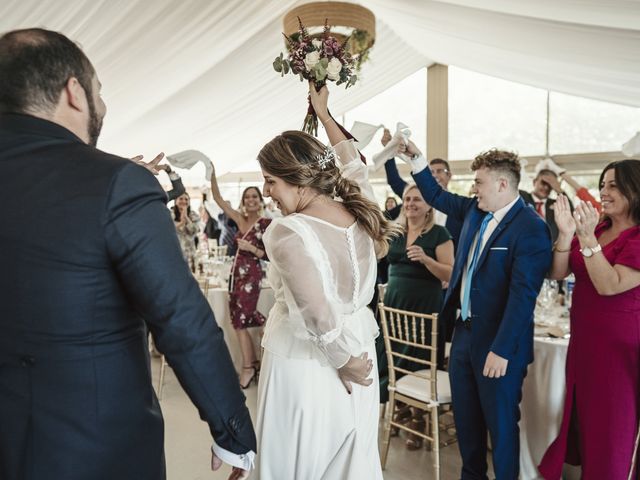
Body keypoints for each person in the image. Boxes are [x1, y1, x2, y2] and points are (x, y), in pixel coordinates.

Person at [0, 28, 254, 480]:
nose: (102, 104)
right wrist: (231, 427)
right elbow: (178, 316)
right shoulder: (116, 182)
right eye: (99, 92)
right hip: (92, 449)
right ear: (74, 92)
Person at [253, 84, 399, 479]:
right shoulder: (360, 207)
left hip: (309, 363)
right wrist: (326, 117)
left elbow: (316, 312)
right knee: (352, 458)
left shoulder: (287, 231)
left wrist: (344, 362)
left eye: (271, 181)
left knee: (298, 458)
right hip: (361, 350)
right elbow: (353, 164)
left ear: (297, 180)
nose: (268, 193)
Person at [404, 143, 552, 479]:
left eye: (479, 182)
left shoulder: (530, 227)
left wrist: (501, 349)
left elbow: (522, 296)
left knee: (500, 428)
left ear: (502, 184)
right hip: (464, 336)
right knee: (467, 423)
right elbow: (436, 195)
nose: (474, 188)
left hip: (500, 344)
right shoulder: (474, 210)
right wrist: (416, 158)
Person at [538, 160, 640, 479]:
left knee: (612, 432)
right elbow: (557, 272)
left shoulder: (636, 238)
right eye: (603, 184)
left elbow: (609, 285)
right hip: (585, 344)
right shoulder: (598, 228)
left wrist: (587, 240)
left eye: (613, 185)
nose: (603, 192)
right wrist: (567, 235)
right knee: (587, 425)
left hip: (619, 351)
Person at [378, 183, 454, 449]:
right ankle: (403, 404)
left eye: (417, 200)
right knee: (393, 355)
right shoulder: (396, 231)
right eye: (407, 199)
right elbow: (379, 256)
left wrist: (426, 260)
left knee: (420, 358)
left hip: (425, 307)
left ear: (429, 205)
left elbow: (450, 274)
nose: (410, 203)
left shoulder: (439, 234)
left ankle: (418, 418)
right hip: (395, 305)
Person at [209, 177, 271, 389]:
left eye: (254, 196)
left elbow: (272, 255)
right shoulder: (240, 219)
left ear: (260, 199)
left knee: (240, 320)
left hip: (252, 276)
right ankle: (252, 362)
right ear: (243, 201)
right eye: (247, 197)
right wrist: (212, 173)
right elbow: (218, 199)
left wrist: (252, 249)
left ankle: (249, 366)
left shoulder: (266, 224)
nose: (251, 200)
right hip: (235, 276)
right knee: (237, 320)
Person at [380, 128, 463, 246]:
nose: (434, 175)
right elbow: (394, 180)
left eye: (439, 171)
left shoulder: (457, 206)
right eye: (431, 172)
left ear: (449, 175)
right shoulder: (415, 193)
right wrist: (389, 149)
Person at [520, 166, 574, 242]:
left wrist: (558, 189)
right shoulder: (522, 196)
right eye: (543, 182)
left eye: (550, 185)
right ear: (534, 182)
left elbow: (570, 212)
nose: (546, 187)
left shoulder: (556, 204)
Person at [172, 192, 201, 268]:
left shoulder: (194, 215)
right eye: (181, 199)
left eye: (186, 199)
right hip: (175, 252)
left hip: (190, 253)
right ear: (175, 201)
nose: (184, 201)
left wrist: (186, 218)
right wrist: (181, 223)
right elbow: (168, 230)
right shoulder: (170, 215)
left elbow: (194, 230)